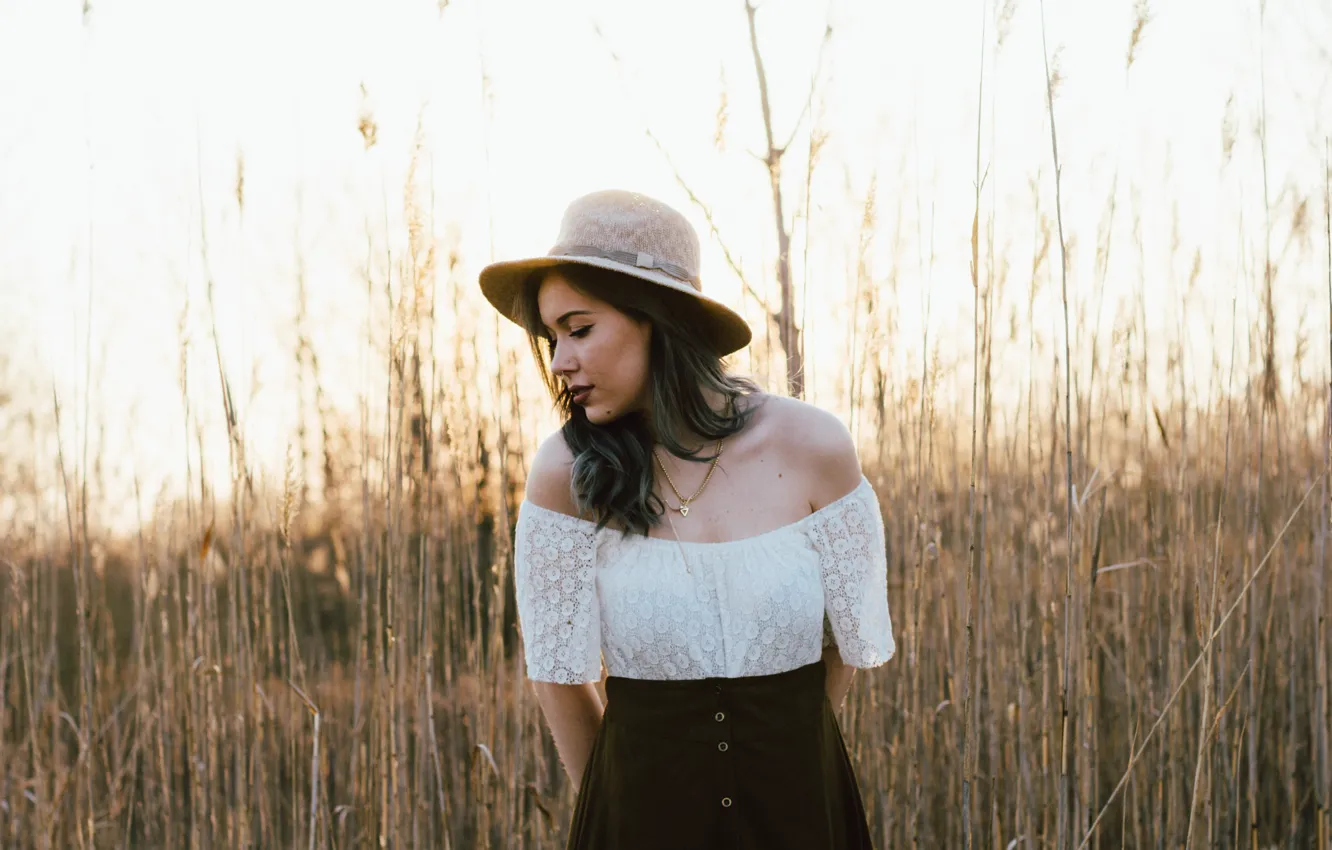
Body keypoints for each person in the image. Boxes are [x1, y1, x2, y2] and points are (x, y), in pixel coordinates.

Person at [479, 189, 895, 849]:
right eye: (552, 337)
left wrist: (784, 763)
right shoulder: (565, 473)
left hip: (801, 817)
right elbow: (559, 678)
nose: (559, 362)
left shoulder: (815, 447)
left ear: (658, 318)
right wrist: (618, 812)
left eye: (579, 329)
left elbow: (844, 644)